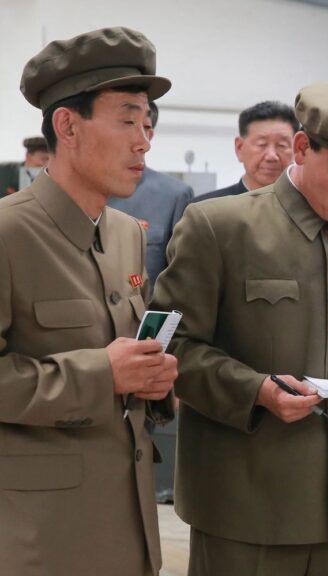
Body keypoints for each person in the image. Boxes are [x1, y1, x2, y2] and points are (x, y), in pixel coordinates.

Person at [151, 81, 328, 576]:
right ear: (301, 148)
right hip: (245, 502)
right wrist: (256, 390)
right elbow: (173, 349)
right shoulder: (218, 226)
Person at [0, 26, 177, 576]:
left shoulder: (125, 232)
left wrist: (152, 380)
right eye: (127, 120)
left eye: (147, 124)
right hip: (42, 538)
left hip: (129, 523)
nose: (143, 141)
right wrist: (103, 374)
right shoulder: (8, 234)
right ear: (67, 126)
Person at [108, 101, 194, 291]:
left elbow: (181, 276)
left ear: (150, 135)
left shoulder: (173, 196)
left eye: (144, 127)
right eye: (127, 123)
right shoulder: (75, 192)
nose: (137, 137)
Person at [191, 100, 298, 203]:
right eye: (261, 144)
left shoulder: (306, 208)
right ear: (239, 147)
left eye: (282, 145)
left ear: (297, 148)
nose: (271, 156)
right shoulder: (206, 209)